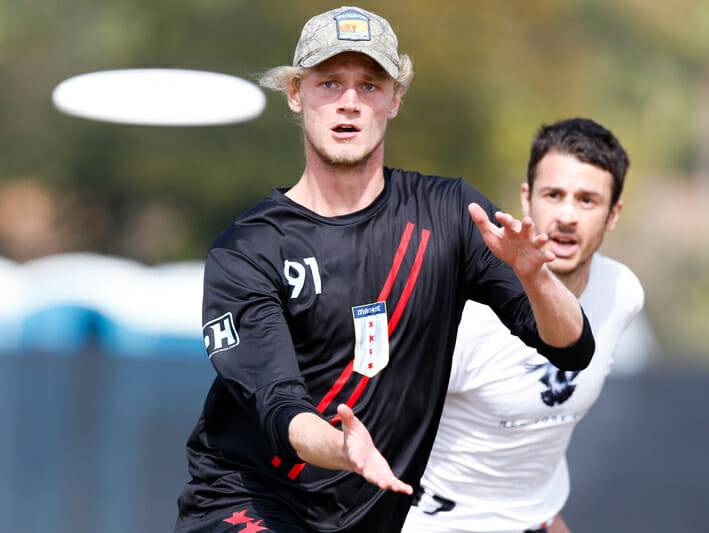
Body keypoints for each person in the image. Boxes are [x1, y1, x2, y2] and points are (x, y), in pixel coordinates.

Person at [174, 7, 595, 533]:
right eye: (329, 82)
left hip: (368, 514)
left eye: (370, 84)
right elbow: (282, 411)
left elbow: (571, 348)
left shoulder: (451, 214)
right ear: (296, 93)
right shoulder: (247, 249)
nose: (349, 101)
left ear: (395, 99)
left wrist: (535, 277)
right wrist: (342, 446)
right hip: (248, 502)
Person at [402, 118, 644, 533]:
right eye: (554, 195)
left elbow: (540, 434)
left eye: (587, 200)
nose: (567, 215)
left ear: (613, 214)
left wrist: (545, 516)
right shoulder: (470, 314)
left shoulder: (622, 293)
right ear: (527, 198)